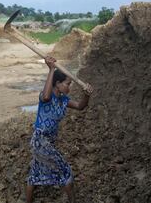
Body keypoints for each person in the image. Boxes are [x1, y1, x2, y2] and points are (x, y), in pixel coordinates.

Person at [26, 56, 93, 203]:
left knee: (35, 173)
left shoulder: (63, 100)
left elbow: (81, 106)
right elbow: (45, 96)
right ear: (57, 83)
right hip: (40, 141)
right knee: (66, 171)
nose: (69, 87)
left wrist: (86, 94)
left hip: (48, 142)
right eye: (67, 84)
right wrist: (51, 70)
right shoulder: (47, 97)